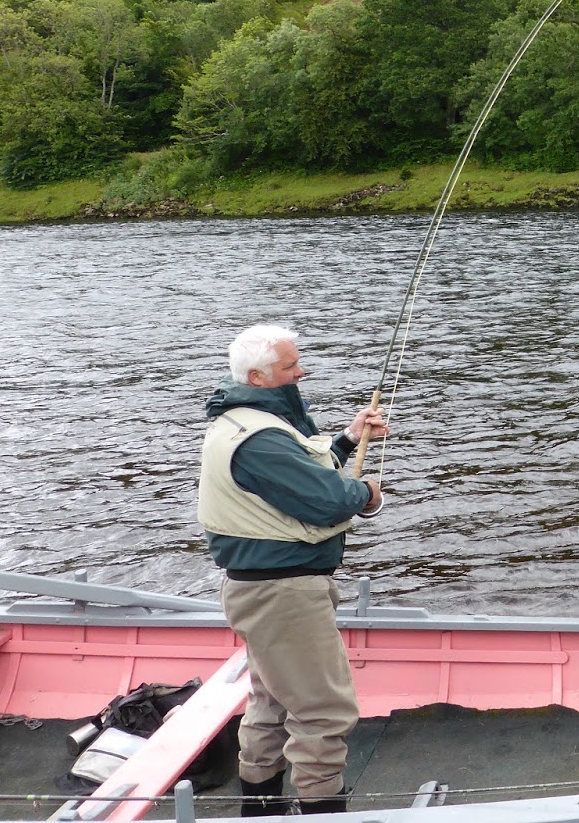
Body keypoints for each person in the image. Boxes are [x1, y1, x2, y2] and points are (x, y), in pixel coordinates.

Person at [197, 324, 387, 816]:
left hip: (263, 592)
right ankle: (321, 810)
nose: (300, 372)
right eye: (290, 367)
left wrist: (347, 439)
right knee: (325, 712)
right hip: (284, 595)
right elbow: (326, 500)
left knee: (272, 704)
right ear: (259, 377)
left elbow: (301, 473)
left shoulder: (248, 422)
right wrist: (366, 493)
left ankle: (259, 810)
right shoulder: (260, 440)